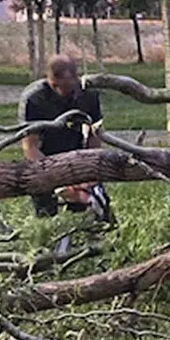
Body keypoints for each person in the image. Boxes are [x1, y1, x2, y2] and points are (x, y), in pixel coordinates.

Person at [19, 54, 109, 221]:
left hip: (76, 155)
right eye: (59, 87)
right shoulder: (34, 99)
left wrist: (89, 167)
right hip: (43, 158)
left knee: (99, 205)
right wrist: (56, 177)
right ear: (51, 81)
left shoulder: (88, 94)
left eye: (71, 87)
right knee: (46, 211)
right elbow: (30, 146)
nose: (65, 92)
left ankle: (99, 229)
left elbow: (95, 135)